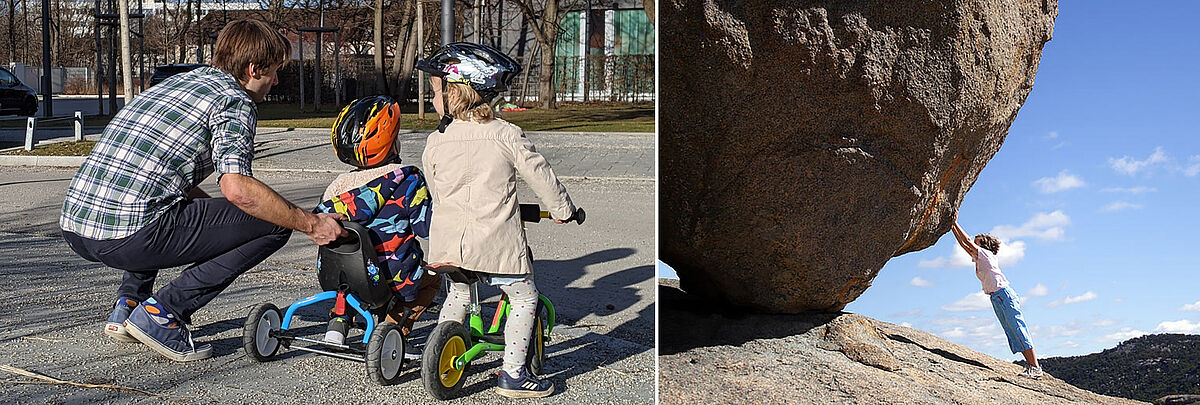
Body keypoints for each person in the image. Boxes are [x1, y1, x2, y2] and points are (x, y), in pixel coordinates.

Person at [59, 19, 346, 362]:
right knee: (277, 222)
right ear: (254, 69)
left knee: (158, 203)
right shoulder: (235, 101)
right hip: (128, 237)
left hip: (76, 229)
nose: (276, 81)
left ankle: (129, 303)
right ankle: (164, 314)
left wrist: (214, 229)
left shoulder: (179, 83)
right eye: (274, 71)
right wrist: (311, 224)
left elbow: (158, 173)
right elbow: (238, 188)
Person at [416, 42, 578, 398]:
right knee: (524, 297)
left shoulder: (435, 141)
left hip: (446, 244)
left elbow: (436, 189)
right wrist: (564, 210)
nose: (432, 99)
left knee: (459, 291)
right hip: (494, 243)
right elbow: (541, 176)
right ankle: (513, 374)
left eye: (436, 91)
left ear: (457, 91)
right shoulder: (505, 134)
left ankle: (446, 344)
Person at [315, 95, 441, 360]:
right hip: (391, 277)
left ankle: (338, 325)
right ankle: (391, 329)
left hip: (339, 276)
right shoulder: (409, 179)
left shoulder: (337, 187)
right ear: (391, 142)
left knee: (349, 271)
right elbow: (425, 227)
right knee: (432, 280)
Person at [949, 211, 1043, 378]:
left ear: (983, 246)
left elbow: (967, 242)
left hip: (1003, 295)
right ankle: (1031, 366)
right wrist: (951, 227)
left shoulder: (986, 254)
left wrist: (955, 223)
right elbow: (964, 245)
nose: (973, 247)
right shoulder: (980, 258)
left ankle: (1035, 367)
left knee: (1018, 328)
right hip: (996, 297)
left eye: (977, 244)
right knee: (1012, 332)